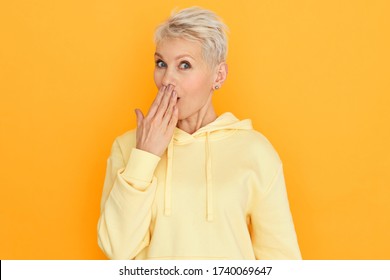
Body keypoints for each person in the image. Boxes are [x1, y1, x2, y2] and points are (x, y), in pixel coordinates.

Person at [97, 6, 302, 260]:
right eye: (161, 63)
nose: (167, 79)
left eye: (184, 65)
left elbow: (281, 259)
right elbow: (117, 252)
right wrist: (144, 156)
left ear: (218, 75)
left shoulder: (256, 151)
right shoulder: (128, 147)